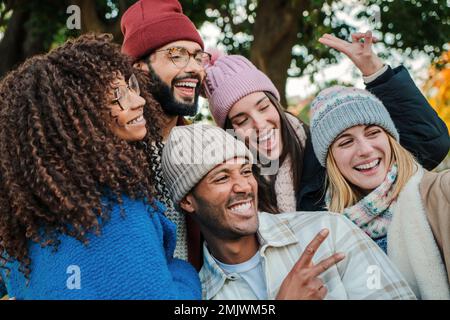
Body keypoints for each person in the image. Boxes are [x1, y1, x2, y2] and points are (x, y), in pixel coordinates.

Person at [0, 33, 201, 300]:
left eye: (130, 86)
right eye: (117, 95)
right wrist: (181, 271)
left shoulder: (23, 224)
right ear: (76, 120)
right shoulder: (117, 211)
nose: (138, 101)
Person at [202, 31, 450, 214]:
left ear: (276, 106)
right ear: (230, 132)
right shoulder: (240, 183)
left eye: (263, 107)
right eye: (241, 120)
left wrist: (375, 71)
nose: (259, 124)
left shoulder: (324, 146)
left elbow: (429, 145)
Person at [161, 124, 416, 300]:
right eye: (222, 178)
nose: (243, 186)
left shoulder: (329, 231)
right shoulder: (202, 294)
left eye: (246, 171)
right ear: (187, 201)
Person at [309, 85, 450, 300]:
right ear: (331, 161)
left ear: (390, 138)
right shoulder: (329, 235)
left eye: (373, 133)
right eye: (346, 142)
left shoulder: (440, 194)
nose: (365, 150)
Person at [120, 0, 210, 266]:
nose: (194, 67)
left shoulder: (204, 148)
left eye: (198, 56)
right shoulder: (108, 155)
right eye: (178, 55)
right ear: (139, 68)